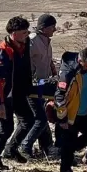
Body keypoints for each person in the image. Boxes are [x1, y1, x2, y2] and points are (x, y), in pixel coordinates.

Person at [0, 16, 33, 171]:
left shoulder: (24, 46)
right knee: (6, 128)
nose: (27, 35)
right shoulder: (3, 52)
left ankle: (11, 149)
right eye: (24, 32)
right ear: (14, 33)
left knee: (28, 120)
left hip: (18, 94)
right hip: (3, 96)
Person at [54, 48, 87, 172]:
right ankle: (65, 170)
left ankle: (69, 150)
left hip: (85, 111)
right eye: (86, 66)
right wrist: (62, 119)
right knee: (69, 140)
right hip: (71, 114)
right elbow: (59, 97)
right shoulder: (68, 74)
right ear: (80, 61)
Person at [22, 13, 59, 159]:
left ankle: (46, 146)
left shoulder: (47, 42)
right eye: (52, 27)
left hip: (43, 84)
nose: (54, 30)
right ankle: (25, 146)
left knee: (41, 115)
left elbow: (47, 62)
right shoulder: (32, 41)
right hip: (32, 85)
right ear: (44, 28)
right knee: (40, 118)